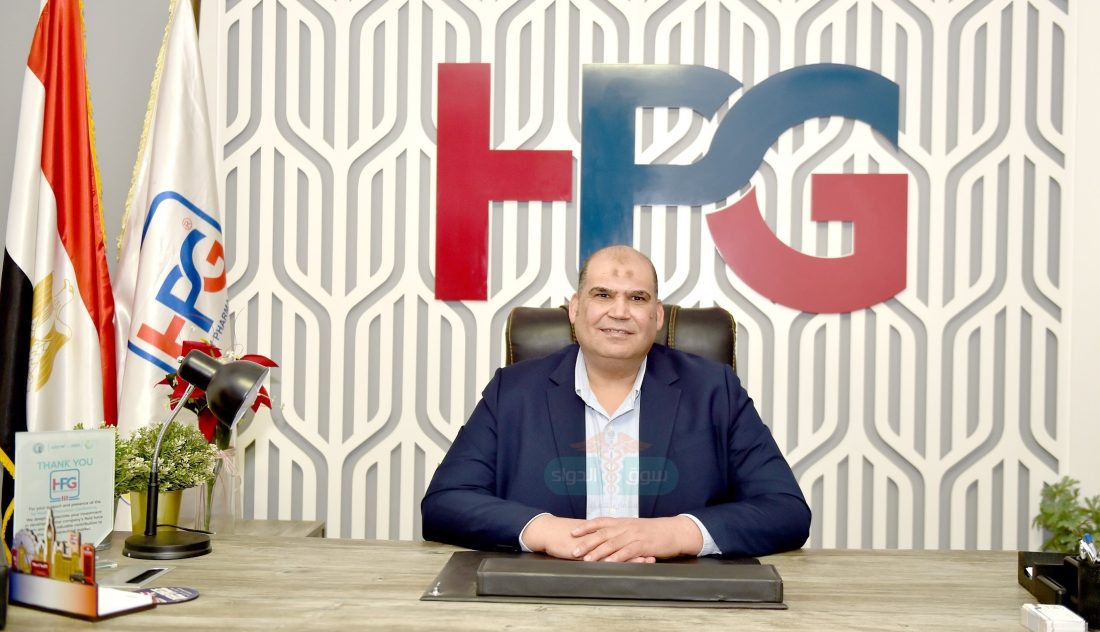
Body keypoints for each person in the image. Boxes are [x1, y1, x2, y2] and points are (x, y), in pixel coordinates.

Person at [421, 245, 810, 562]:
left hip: (679, 601)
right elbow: (444, 503)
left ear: (657, 315)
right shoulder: (513, 392)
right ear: (576, 309)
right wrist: (544, 530)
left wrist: (675, 533)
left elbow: (786, 511)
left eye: (637, 298)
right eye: (603, 294)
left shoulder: (714, 391)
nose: (619, 312)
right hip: (543, 598)